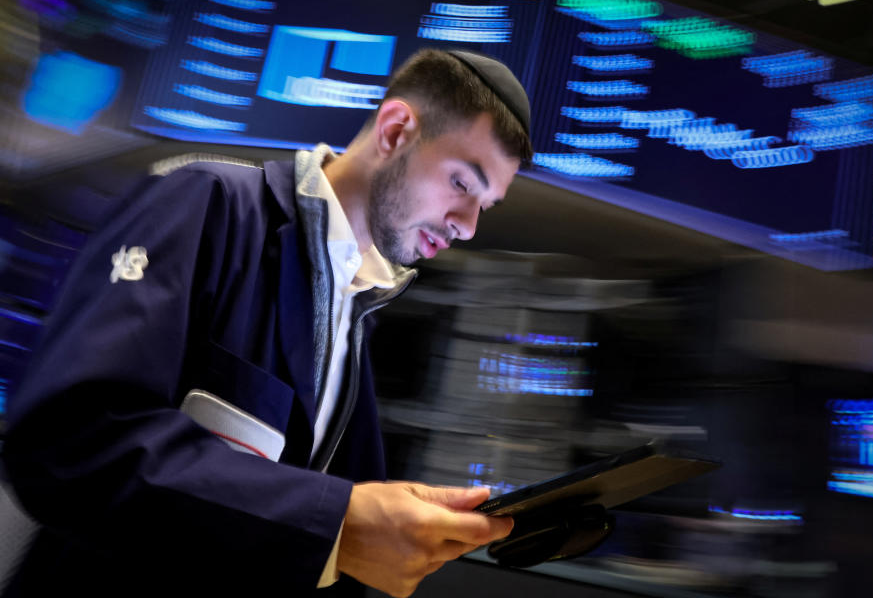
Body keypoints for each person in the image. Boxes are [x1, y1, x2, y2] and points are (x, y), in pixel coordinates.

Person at [2, 49, 533, 597]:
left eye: (485, 206)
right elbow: (69, 440)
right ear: (396, 131)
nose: (468, 227)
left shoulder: (356, 309)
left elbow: (315, 525)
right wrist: (340, 522)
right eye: (463, 185)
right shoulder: (206, 201)